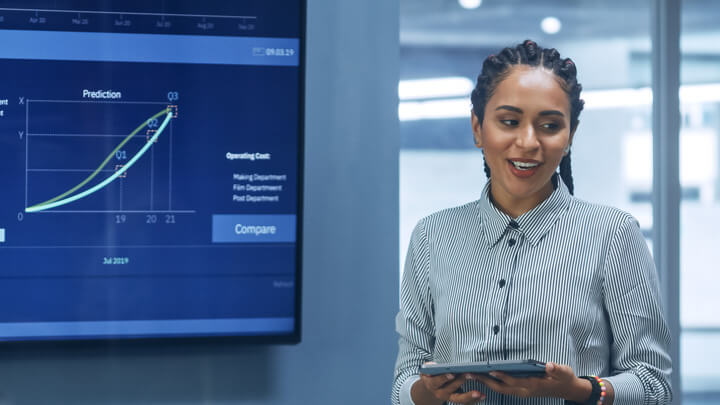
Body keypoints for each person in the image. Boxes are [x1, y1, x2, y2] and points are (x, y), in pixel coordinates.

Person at [392, 40, 672, 405]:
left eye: (550, 125)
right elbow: (403, 385)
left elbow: (654, 385)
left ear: (570, 135)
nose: (528, 142)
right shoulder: (432, 236)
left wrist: (579, 390)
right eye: (509, 121)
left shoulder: (614, 235)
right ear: (478, 128)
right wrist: (427, 393)